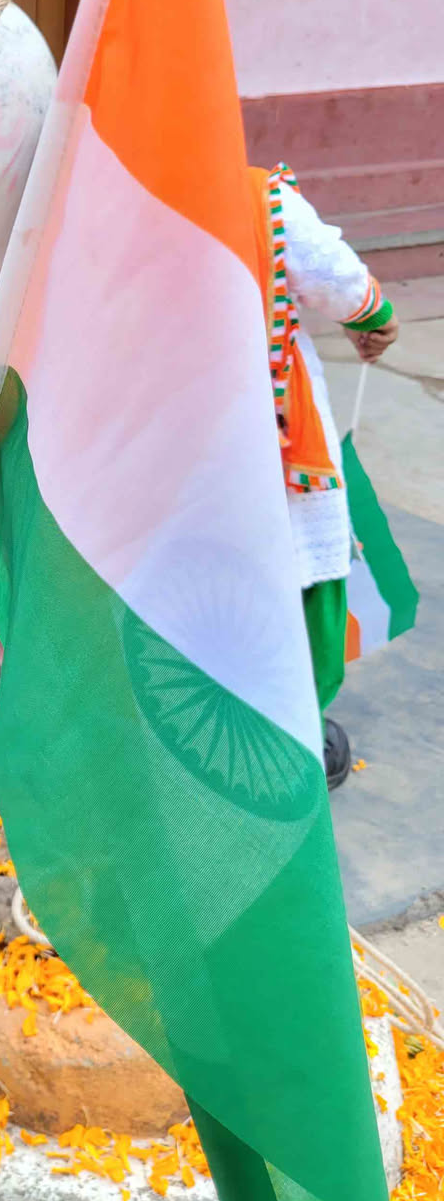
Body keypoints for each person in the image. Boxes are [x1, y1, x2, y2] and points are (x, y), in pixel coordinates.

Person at [251, 163, 399, 788]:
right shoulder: (257, 195)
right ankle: (295, 735)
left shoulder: (115, 194)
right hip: (271, 438)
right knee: (305, 562)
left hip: (162, 441)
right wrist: (375, 316)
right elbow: (334, 276)